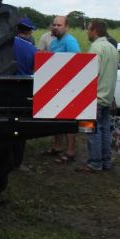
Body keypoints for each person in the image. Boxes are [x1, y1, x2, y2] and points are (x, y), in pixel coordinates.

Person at [76, 20, 118, 173]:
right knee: (105, 130)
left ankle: (94, 162)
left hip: (94, 97)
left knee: (91, 131)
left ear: (94, 31)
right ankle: (106, 161)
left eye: (88, 30)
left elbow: (92, 74)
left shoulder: (95, 48)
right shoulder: (112, 48)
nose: (87, 33)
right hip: (107, 97)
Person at [45, 15, 81, 163]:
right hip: (55, 87)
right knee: (56, 117)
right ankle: (57, 146)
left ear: (66, 27)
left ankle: (70, 151)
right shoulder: (54, 43)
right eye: (54, 24)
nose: (55, 27)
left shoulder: (70, 41)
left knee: (68, 118)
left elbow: (76, 62)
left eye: (59, 25)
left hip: (68, 87)